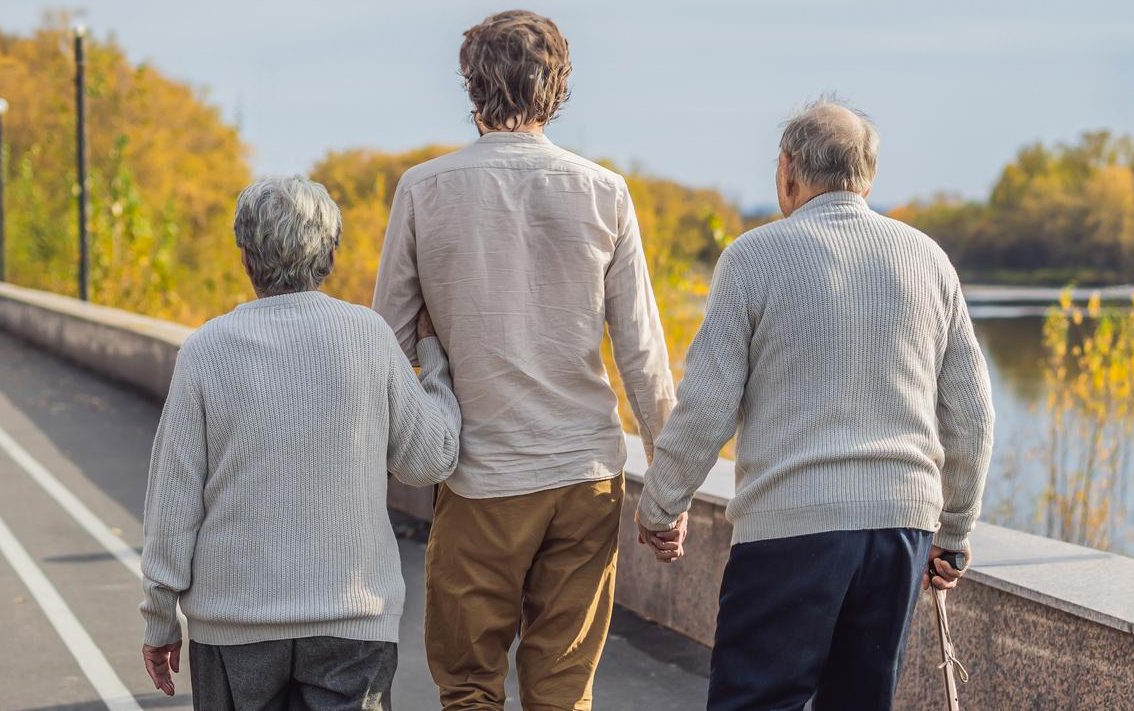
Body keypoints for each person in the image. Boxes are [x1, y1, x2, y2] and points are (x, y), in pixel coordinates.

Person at [632, 98, 995, 711]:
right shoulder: (927, 260)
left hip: (788, 531)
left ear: (788, 170)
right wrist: (953, 533)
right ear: (867, 177)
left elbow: (706, 407)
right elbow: (972, 412)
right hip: (897, 530)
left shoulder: (753, 258)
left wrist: (661, 506)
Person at [371, 10, 677, 710]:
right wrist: (669, 487)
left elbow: (383, 343)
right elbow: (642, 353)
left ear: (472, 88)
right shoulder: (605, 192)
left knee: (471, 683)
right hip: (586, 477)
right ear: (557, 88)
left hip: (483, 475)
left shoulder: (424, 189)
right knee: (563, 690)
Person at [138, 176, 463, 711]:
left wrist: (159, 618)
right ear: (331, 254)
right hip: (352, 621)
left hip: (233, 626)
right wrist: (434, 362)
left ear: (245, 257)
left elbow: (173, 502)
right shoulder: (368, 337)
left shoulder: (205, 351)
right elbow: (429, 459)